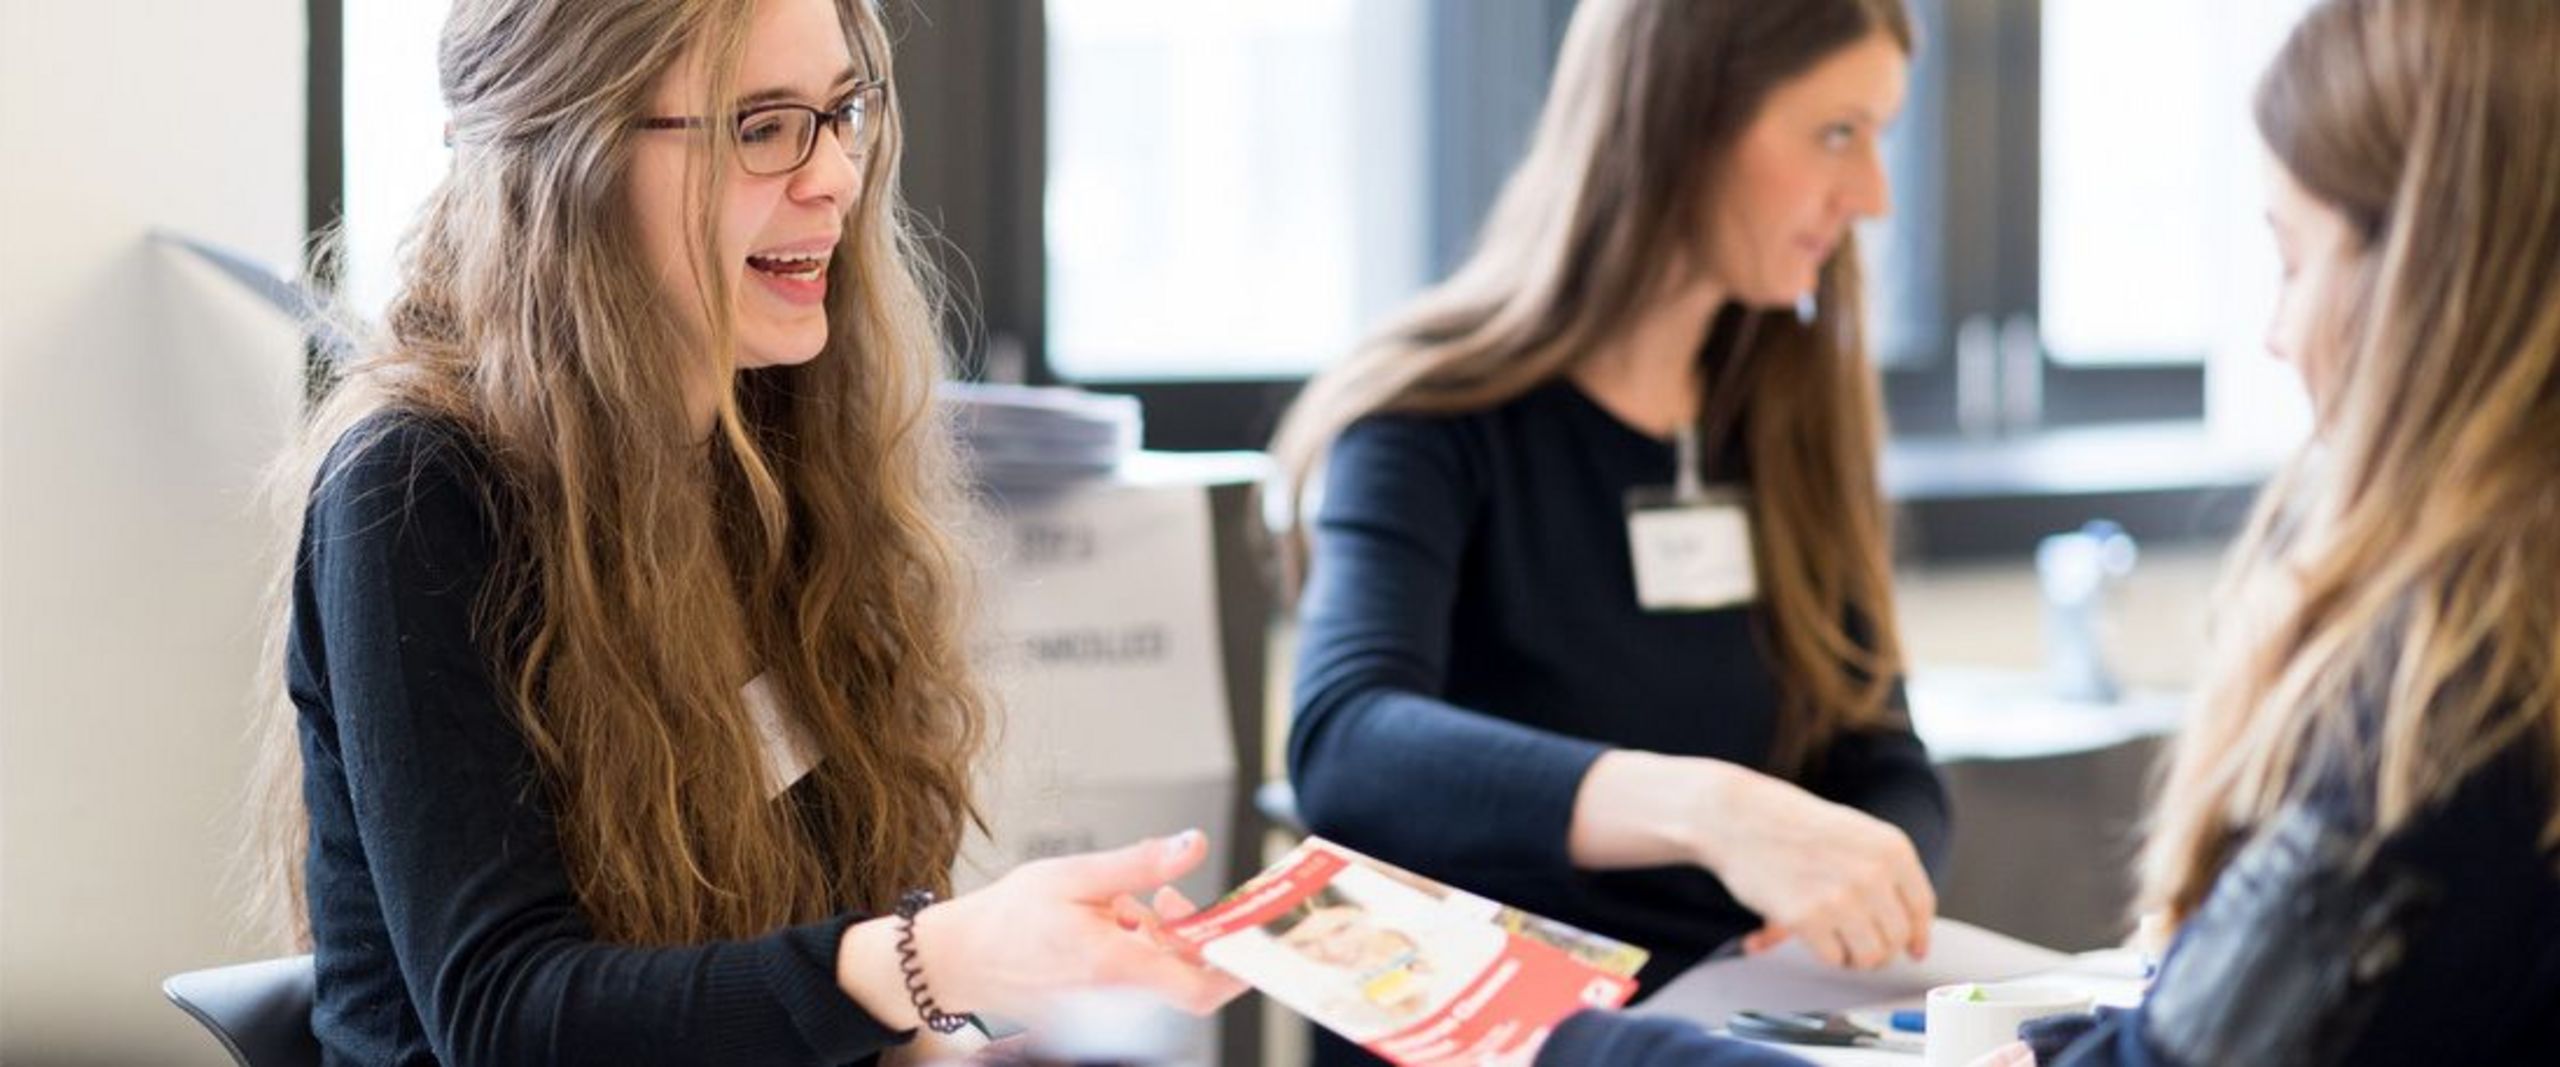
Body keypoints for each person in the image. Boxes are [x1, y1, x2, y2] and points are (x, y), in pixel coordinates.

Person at [1529, 0, 2560, 1062]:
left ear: (2427, 278)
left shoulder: (2439, 698)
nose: (2275, 331)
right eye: (1839, 132)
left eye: (2292, 261)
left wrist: (1599, 1052)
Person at [245, 0, 1232, 1063]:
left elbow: (818, 974)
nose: (836, 177)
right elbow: (507, 1017)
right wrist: (934, 959)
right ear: (567, 154)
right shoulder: (415, 484)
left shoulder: (778, 443)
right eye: (763, 127)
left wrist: (957, 1021)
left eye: (844, 111)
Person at [1266, 0, 1949, 1031]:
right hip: (1509, 1033)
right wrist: (1712, 813)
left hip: (1742, 1023)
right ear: (1684, 119)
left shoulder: (1785, 423)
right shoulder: (1424, 419)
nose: (1872, 195)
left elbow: (1882, 752)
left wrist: (1860, 875)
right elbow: (1346, 742)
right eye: (1836, 133)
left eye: (1878, 138)